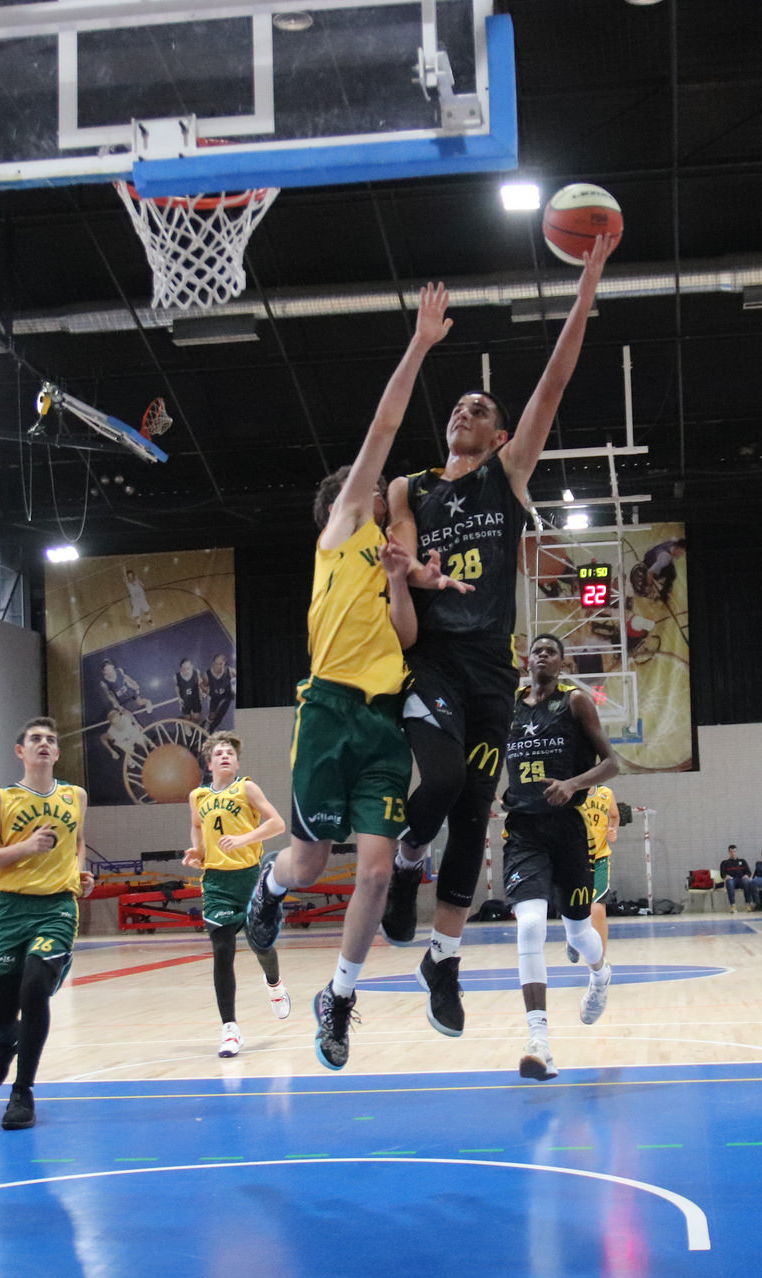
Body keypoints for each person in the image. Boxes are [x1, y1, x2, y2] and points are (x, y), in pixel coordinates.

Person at [380, 232, 620, 1040]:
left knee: (475, 812)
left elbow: (555, 380)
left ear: (501, 435)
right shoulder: (410, 487)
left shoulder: (506, 477)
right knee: (444, 778)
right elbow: (402, 558)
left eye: (481, 409)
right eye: (458, 406)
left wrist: (585, 289)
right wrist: (411, 572)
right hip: (431, 657)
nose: (465, 411)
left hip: (491, 669)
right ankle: (407, 859)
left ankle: (442, 962)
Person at [243, 283, 453, 1071]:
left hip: (381, 719)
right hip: (328, 709)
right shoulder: (338, 534)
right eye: (367, 483)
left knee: (373, 869)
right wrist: (420, 345)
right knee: (308, 863)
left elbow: (406, 635)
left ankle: (339, 997)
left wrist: (403, 579)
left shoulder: (386, 557)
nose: (377, 484)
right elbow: (382, 428)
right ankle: (269, 889)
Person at [499, 633, 619, 1080]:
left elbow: (612, 763)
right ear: (527, 661)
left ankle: (600, 974)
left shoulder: (575, 702)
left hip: (567, 829)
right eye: (537, 650)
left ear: (562, 663)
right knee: (530, 925)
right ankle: (539, 1041)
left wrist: (572, 784)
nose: (543, 655)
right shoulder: (509, 707)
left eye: (551, 651)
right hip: (524, 831)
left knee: (578, 931)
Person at [0, 717, 94, 1130]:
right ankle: (8, 1042)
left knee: (35, 986)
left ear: (56, 753)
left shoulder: (75, 796)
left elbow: (77, 842)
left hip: (57, 908)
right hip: (10, 910)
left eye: (50, 740)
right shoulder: (2, 798)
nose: (44, 743)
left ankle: (22, 1091)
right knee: (0, 1015)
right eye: (35, 738)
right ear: (20, 751)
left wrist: (80, 873)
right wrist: (26, 847)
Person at [183, 731, 289, 1058]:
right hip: (217, 882)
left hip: (250, 878)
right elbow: (198, 827)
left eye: (230, 753)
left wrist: (244, 839)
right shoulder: (198, 796)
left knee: (261, 945)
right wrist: (198, 852)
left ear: (237, 763)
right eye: (219, 753)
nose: (225, 756)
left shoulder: (247, 788)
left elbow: (277, 824)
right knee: (222, 950)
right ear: (209, 763)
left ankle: (274, 984)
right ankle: (230, 1029)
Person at [575, 782, 619, 958]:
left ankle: (600, 960)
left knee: (597, 909)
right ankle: (574, 936)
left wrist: (612, 829)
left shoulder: (606, 793)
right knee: (577, 909)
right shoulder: (571, 795)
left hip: (600, 858)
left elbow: (614, 816)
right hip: (575, 860)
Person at [204, 652, 236, 732]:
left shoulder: (230, 671)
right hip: (214, 695)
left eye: (220, 664)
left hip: (227, 695)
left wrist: (234, 688)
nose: (217, 666)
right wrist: (205, 691)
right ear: (213, 663)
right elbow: (203, 685)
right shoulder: (207, 674)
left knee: (223, 711)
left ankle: (215, 728)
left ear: (224, 663)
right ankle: (208, 723)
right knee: (212, 715)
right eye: (216, 663)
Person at [175, 658, 204, 724]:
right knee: (187, 718)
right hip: (185, 700)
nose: (186, 671)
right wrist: (179, 697)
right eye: (184, 669)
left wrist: (201, 692)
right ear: (181, 668)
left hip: (195, 698)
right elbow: (177, 687)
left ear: (192, 667)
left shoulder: (196, 673)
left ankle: (195, 725)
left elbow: (200, 683)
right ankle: (188, 725)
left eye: (188, 668)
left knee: (196, 717)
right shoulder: (177, 676)